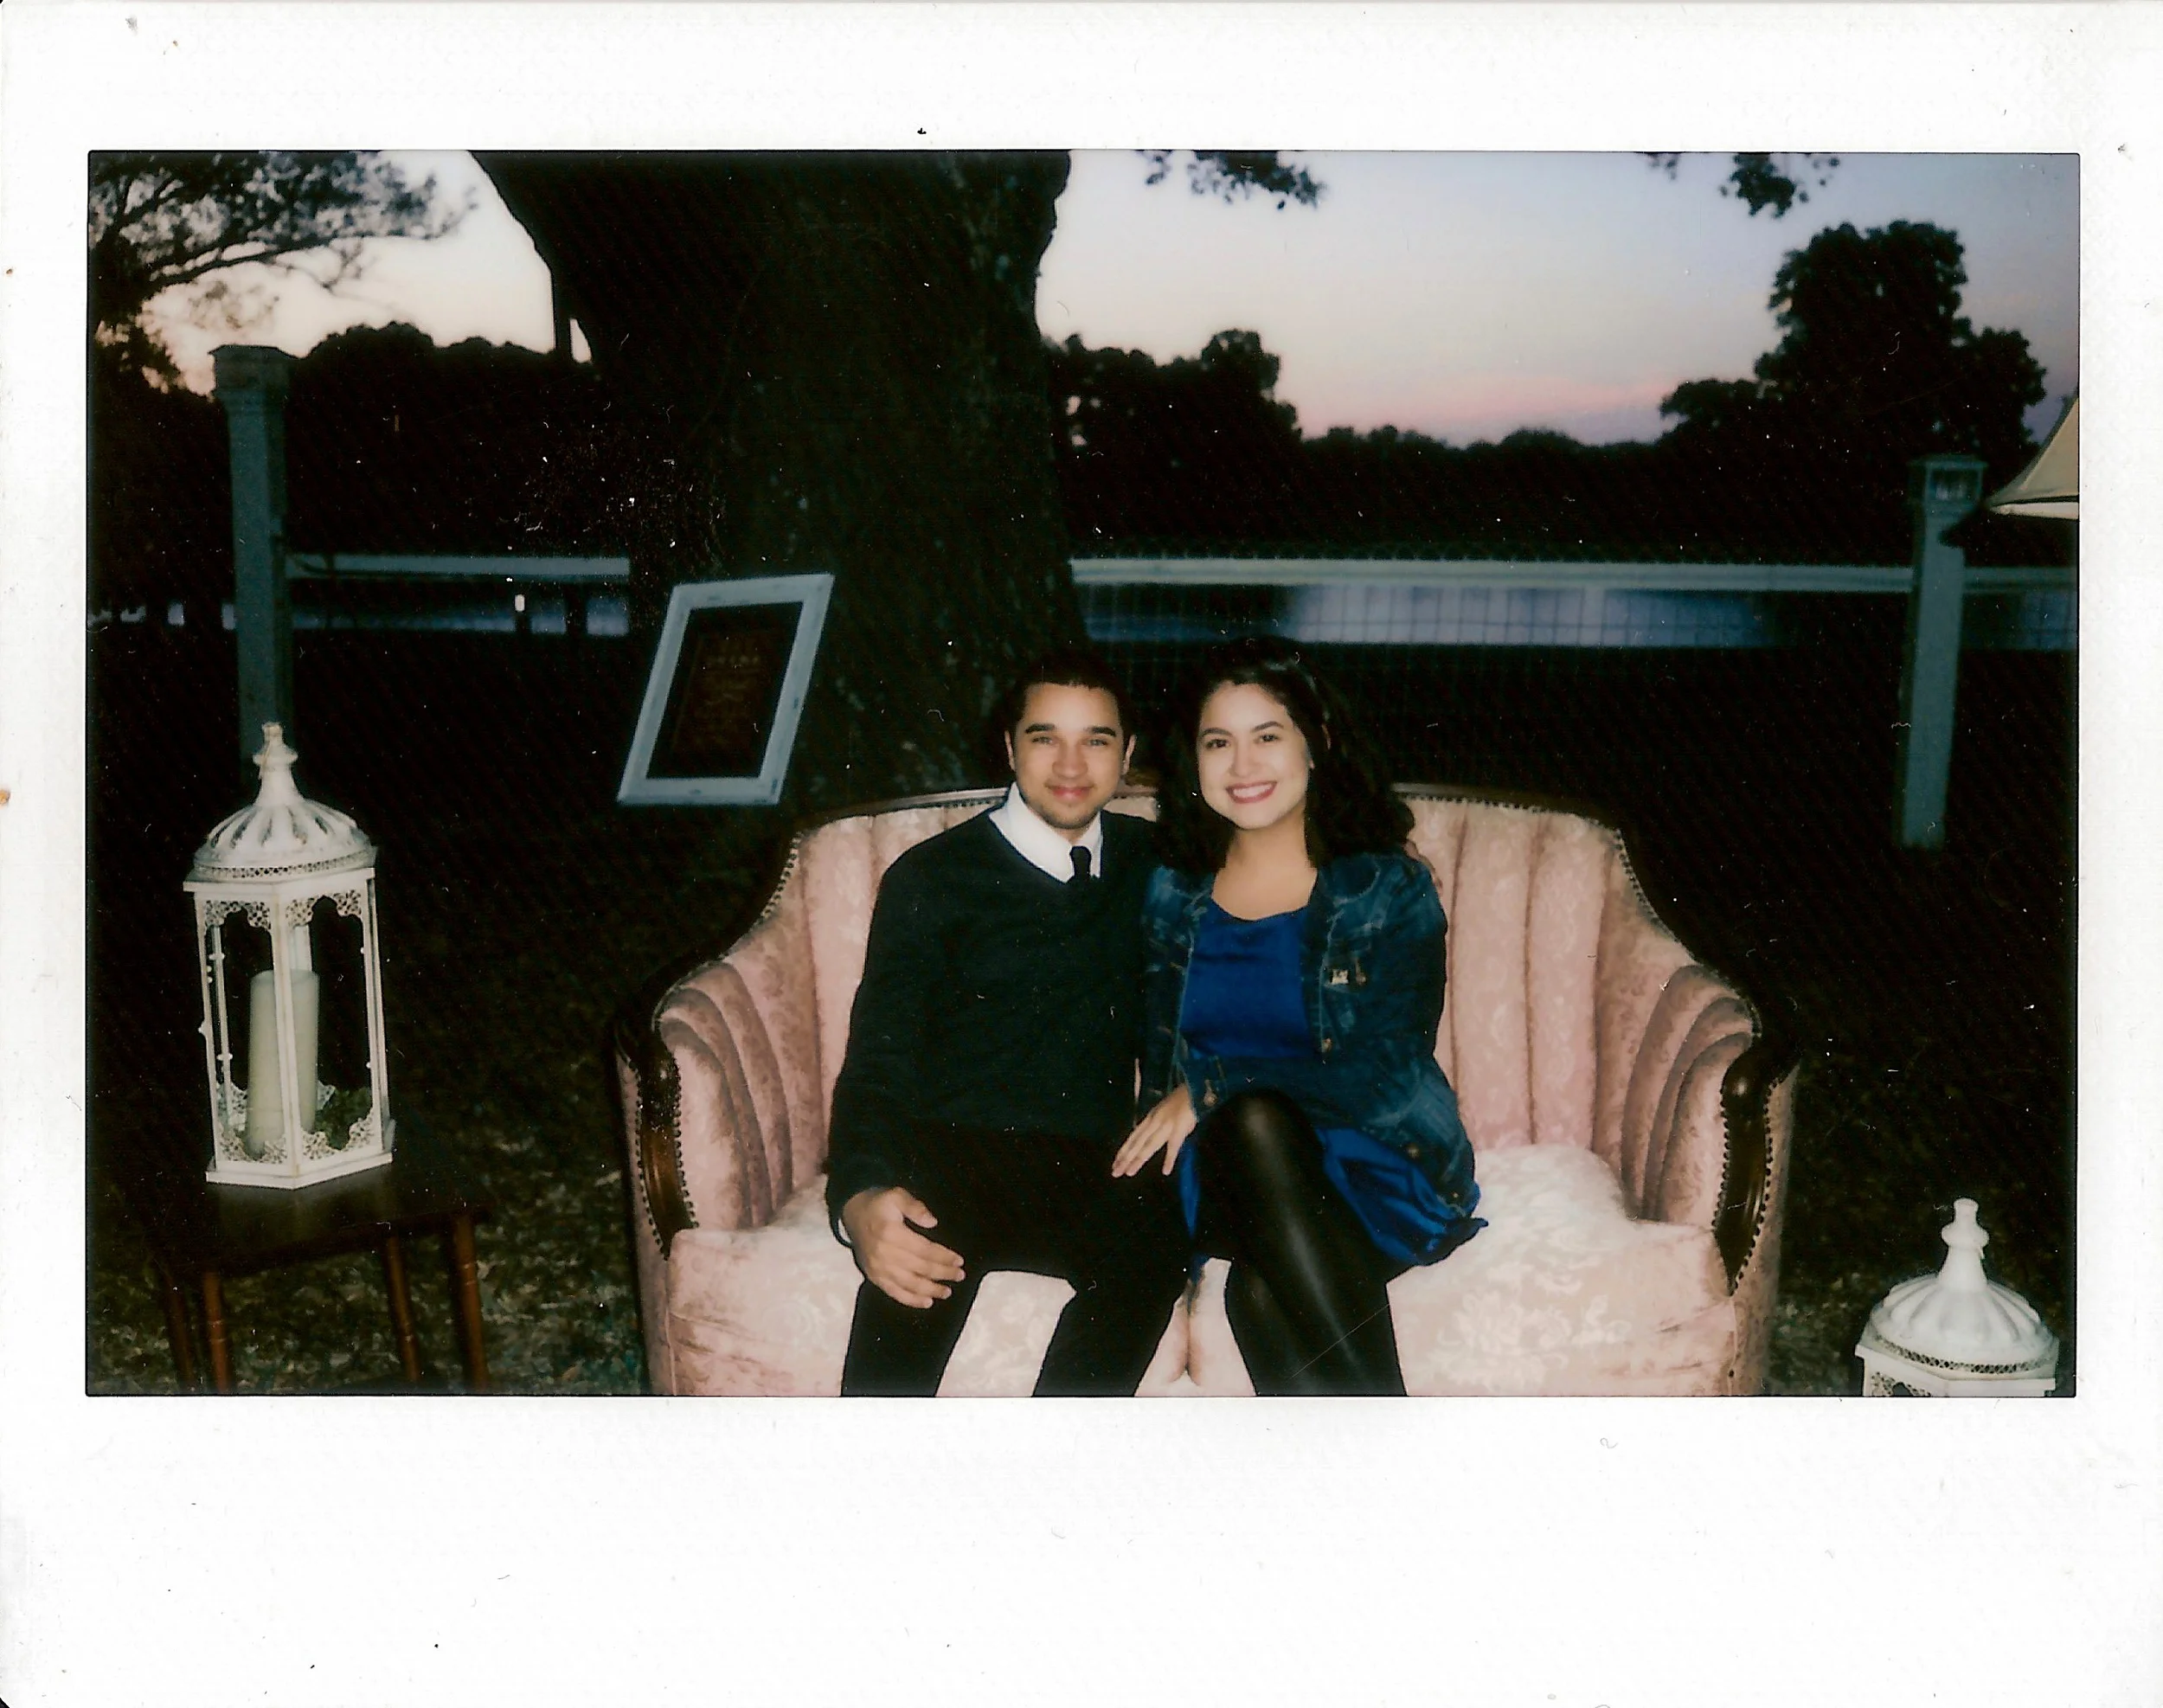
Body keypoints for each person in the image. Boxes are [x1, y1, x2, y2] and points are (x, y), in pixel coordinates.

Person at [1114, 636, 1485, 1395]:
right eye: (1218, 742)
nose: (1242, 765)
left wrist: (1217, 1084)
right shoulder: (1169, 894)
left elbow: (1387, 1073)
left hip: (1374, 1160)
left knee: (1259, 1295)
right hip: (1222, 1172)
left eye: (1267, 736)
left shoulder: (1385, 889)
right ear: (1193, 762)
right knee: (1253, 1126)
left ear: (1317, 743)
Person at [825, 649, 1190, 1397]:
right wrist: (858, 1197)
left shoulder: (1158, 865)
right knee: (909, 1274)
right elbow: (881, 1054)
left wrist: (1203, 1084)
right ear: (1009, 747)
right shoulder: (933, 877)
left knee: (1158, 1233)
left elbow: (1259, 964)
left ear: (1127, 754)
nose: (1070, 765)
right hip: (952, 1153)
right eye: (1044, 737)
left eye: (1095, 740)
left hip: (1092, 1162)